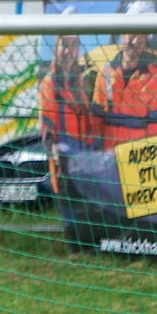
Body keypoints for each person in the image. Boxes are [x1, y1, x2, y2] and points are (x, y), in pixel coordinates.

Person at [92, 2, 157, 151]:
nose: (136, 41)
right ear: (124, 33)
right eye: (133, 33)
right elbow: (95, 124)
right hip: (109, 161)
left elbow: (156, 132)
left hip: (139, 161)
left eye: (142, 35)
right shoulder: (105, 74)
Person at [38, 33, 98, 195]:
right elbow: (47, 132)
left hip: (85, 168)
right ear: (56, 47)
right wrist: (57, 154)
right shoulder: (49, 84)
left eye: (72, 46)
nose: (67, 51)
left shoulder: (79, 83)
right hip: (64, 171)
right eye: (64, 44)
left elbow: (88, 127)